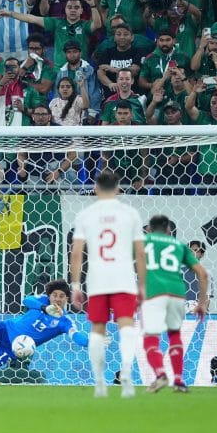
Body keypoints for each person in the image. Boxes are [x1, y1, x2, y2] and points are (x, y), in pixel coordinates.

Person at [69, 169, 146, 398]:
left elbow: (76, 253)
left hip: (97, 280)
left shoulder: (86, 214)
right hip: (123, 279)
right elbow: (140, 253)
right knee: (127, 328)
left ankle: (100, 381)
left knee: (97, 330)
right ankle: (127, 374)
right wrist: (142, 285)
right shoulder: (130, 213)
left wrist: (75, 286)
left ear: (95, 188)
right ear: (118, 188)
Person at [142, 215, 208, 393]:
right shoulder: (179, 246)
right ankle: (178, 380)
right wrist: (202, 303)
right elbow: (202, 274)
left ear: (149, 230)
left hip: (154, 293)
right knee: (174, 335)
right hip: (178, 294)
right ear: (169, 231)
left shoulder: (142, 241)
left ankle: (160, 374)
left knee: (150, 337)